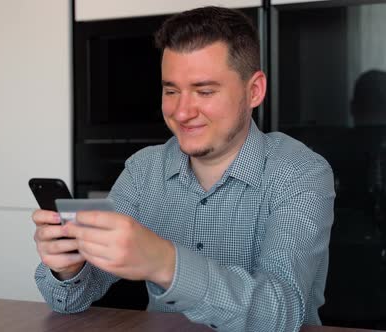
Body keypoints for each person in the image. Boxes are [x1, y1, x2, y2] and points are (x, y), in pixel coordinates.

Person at [32, 6, 335, 332]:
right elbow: (69, 299)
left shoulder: (301, 173)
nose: (182, 111)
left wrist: (164, 261)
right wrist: (68, 267)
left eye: (204, 91)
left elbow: (281, 313)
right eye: (171, 90)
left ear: (254, 91)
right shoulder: (143, 171)